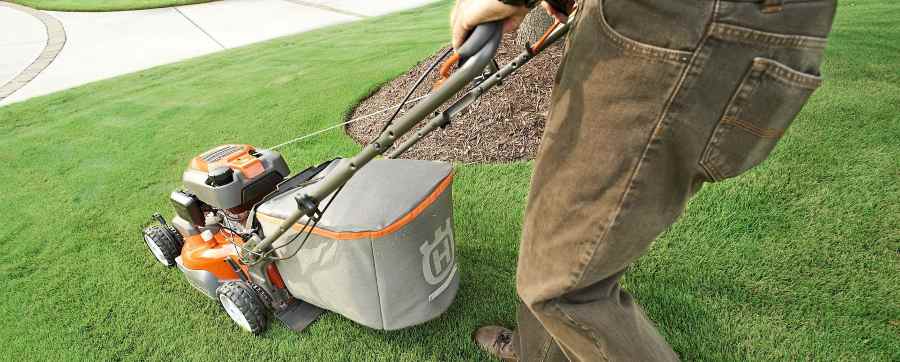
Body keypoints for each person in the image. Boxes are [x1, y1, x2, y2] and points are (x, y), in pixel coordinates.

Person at [451, 0, 837, 360]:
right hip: (694, 24)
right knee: (554, 237)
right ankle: (539, 353)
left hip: (679, 28)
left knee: (561, 286)